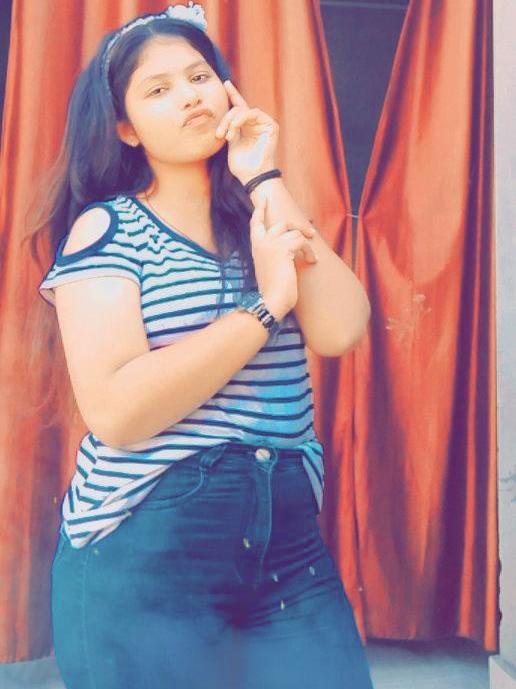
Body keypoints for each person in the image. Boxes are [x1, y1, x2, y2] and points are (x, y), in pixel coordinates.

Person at [35, 3, 374, 688]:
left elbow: (341, 328)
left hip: (287, 541)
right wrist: (265, 307)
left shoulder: (262, 213)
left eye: (199, 77)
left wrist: (263, 176)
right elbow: (117, 412)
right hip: (149, 545)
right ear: (126, 128)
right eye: (158, 89)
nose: (190, 96)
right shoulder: (107, 230)